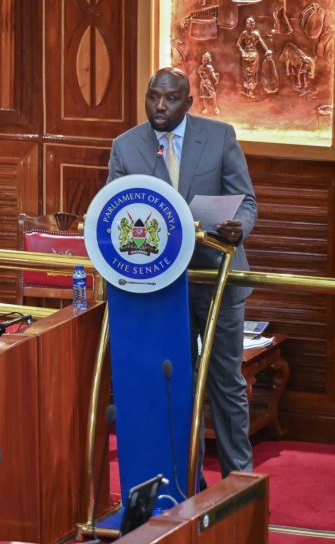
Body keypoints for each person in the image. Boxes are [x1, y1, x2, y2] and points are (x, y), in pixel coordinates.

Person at [107, 67, 257, 477]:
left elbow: (246, 203)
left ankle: (238, 482)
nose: (159, 106)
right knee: (175, 384)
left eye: (170, 99)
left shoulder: (220, 136)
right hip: (158, 288)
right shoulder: (125, 147)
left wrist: (238, 227)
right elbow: (116, 215)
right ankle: (185, 484)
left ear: (189, 103)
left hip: (216, 279)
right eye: (153, 97)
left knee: (225, 383)